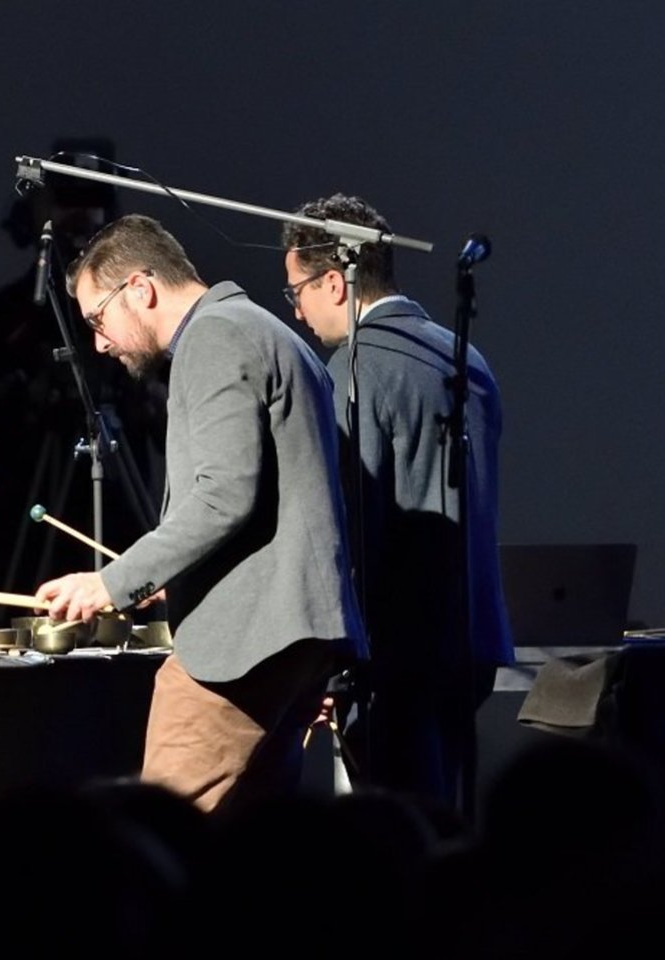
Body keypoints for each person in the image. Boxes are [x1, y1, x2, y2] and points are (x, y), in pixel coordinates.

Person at [35, 214, 365, 816]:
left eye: (97, 319)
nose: (99, 343)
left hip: (245, 646)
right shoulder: (268, 332)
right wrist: (175, 577)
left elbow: (224, 495)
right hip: (296, 639)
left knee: (156, 837)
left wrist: (110, 583)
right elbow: (282, 499)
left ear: (140, 288)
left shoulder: (216, 336)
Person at [281, 194, 514, 814]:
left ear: (334, 283)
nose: (297, 312)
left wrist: (326, 662)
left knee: (396, 834)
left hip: (393, 654)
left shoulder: (355, 368)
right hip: (474, 639)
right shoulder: (467, 360)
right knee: (445, 820)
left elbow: (349, 528)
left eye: (297, 292)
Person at [0, 139, 165, 628]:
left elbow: (180, 427)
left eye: (92, 201)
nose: (80, 218)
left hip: (122, 538)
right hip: (21, 539)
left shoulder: (144, 315)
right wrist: (14, 420)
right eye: (67, 200)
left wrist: (144, 400)